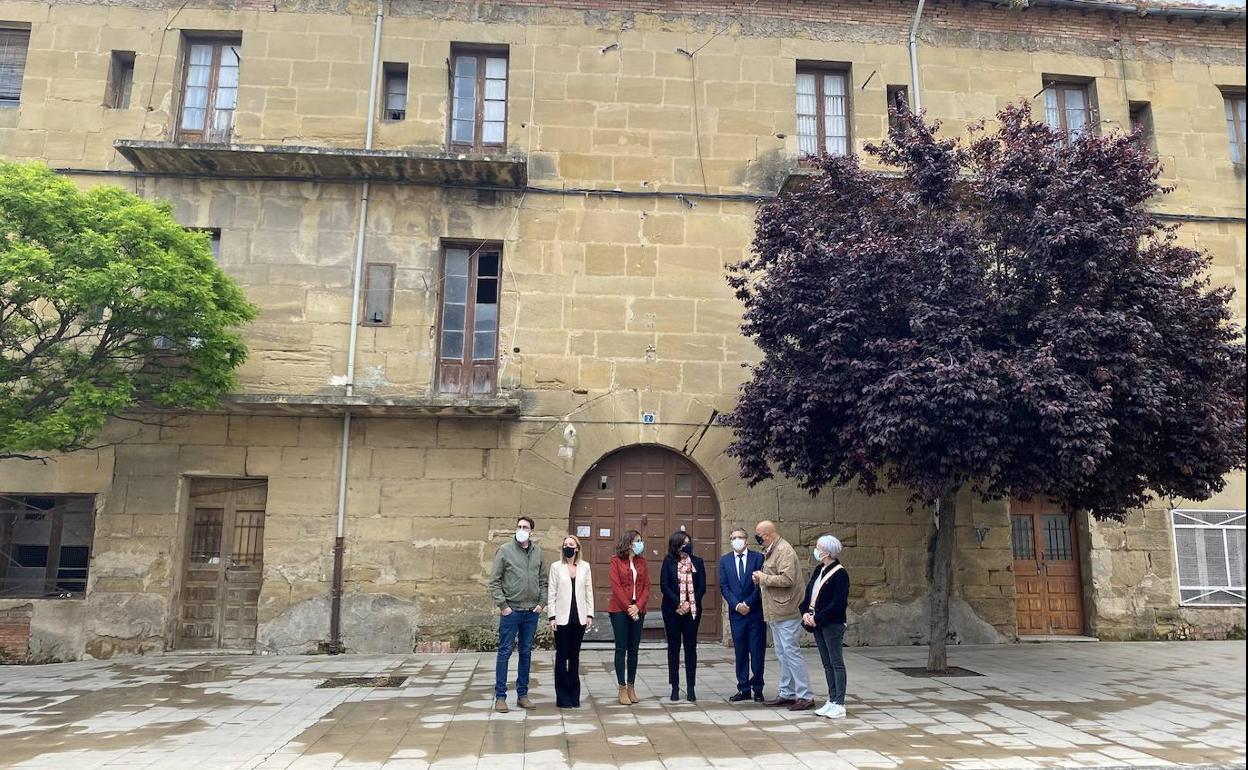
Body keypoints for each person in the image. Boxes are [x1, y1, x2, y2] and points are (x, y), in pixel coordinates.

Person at [752, 520, 815, 711]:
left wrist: (763, 578)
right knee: (782, 653)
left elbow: (787, 579)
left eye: (759, 535)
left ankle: (805, 695)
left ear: (768, 535)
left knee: (791, 652)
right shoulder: (772, 549)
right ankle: (787, 693)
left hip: (787, 610)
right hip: (776, 611)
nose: (757, 539)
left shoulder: (783, 550)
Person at [488, 515, 546, 713]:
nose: (521, 529)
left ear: (531, 531)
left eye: (526, 527)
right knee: (504, 652)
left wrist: (542, 603)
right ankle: (501, 697)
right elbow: (494, 581)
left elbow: (543, 580)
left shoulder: (537, 552)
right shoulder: (505, 550)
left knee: (526, 653)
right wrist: (503, 606)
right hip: (511, 611)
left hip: (531, 612)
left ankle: (523, 695)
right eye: (519, 526)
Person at [800, 534, 851, 719]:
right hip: (816, 622)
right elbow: (809, 593)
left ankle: (840, 702)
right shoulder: (818, 569)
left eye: (819, 547)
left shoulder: (840, 574)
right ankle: (831, 699)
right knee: (826, 663)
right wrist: (805, 612)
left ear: (827, 552)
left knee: (836, 663)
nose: (816, 550)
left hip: (832, 623)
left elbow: (838, 603)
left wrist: (818, 617)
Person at [719, 527, 766, 702]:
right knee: (740, 651)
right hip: (736, 613)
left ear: (746, 540)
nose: (736, 540)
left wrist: (748, 603)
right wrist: (737, 605)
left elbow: (760, 585)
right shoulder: (725, 561)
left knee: (757, 651)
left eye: (740, 537)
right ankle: (743, 687)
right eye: (733, 538)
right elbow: (724, 587)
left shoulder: (758, 558)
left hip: (754, 613)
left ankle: (758, 687)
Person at [548, 534, 594, 708]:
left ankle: (574, 695)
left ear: (577, 548)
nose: (568, 546)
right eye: (565, 544)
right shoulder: (556, 567)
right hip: (561, 618)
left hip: (579, 617)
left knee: (574, 657)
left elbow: (588, 591)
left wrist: (590, 614)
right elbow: (551, 592)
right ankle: (562, 696)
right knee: (561, 656)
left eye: (571, 544)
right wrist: (552, 616)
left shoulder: (585, 567)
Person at [660, 530, 706, 702]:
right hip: (672, 610)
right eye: (683, 542)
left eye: (689, 542)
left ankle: (691, 687)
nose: (687, 545)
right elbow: (664, 586)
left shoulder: (698, 562)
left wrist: (689, 604)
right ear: (676, 545)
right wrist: (679, 603)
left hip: (692, 611)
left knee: (690, 648)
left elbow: (702, 587)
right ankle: (674, 686)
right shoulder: (668, 562)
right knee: (673, 647)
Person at [608, 529, 649, 706]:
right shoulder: (615, 561)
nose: (640, 543)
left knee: (634, 649)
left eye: (641, 540)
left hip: (638, 609)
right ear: (629, 543)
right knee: (621, 648)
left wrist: (638, 607)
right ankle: (622, 687)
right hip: (619, 609)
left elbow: (647, 586)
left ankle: (631, 686)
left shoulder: (642, 562)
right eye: (637, 541)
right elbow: (616, 587)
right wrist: (629, 608)